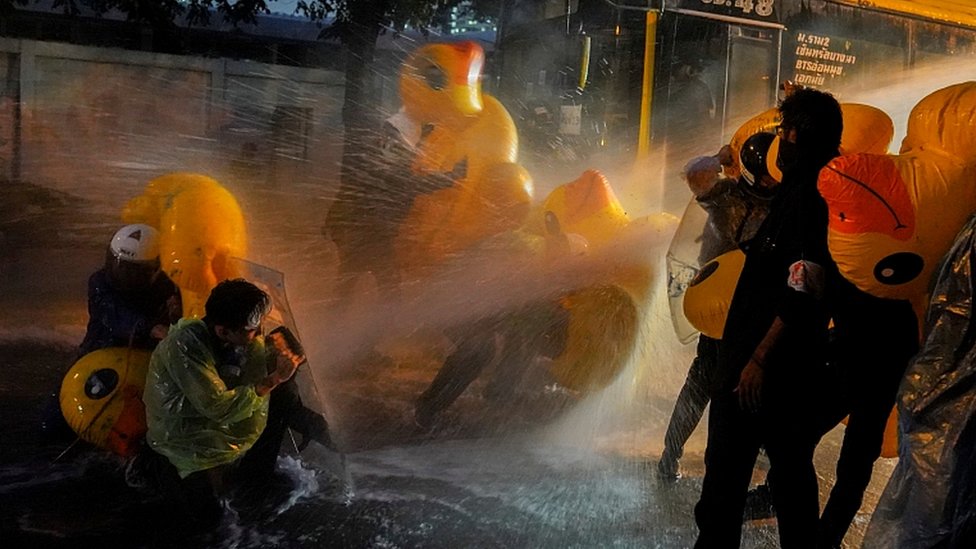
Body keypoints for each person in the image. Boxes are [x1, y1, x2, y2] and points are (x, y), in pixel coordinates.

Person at [693, 88, 844, 549]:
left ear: (795, 135)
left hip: (761, 369)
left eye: (784, 130)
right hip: (783, 364)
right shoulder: (813, 187)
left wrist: (758, 358)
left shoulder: (809, 197)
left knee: (728, 480)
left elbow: (805, 283)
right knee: (790, 471)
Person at [658, 132, 779, 481]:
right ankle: (672, 455)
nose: (774, 177)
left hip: (754, 309)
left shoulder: (781, 201)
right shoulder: (727, 194)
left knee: (750, 387)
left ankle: (750, 453)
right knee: (703, 385)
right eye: (770, 171)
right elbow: (694, 174)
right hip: (720, 310)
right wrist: (719, 156)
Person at [141, 278, 305, 527]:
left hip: (216, 423)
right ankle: (159, 468)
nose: (258, 331)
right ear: (223, 331)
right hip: (184, 435)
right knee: (208, 521)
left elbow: (259, 356)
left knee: (286, 393)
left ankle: (252, 477)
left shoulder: (226, 335)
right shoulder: (184, 347)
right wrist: (274, 378)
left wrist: (283, 351)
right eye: (251, 329)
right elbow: (219, 407)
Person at [413, 211, 581, 429]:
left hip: (467, 300)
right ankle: (428, 408)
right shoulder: (529, 257)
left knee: (523, 330)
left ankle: (501, 390)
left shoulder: (540, 260)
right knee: (480, 348)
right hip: (452, 299)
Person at [39, 223, 182, 441]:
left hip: (147, 364)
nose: (124, 275)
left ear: (155, 269)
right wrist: (150, 328)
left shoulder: (169, 287)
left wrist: (175, 315)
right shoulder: (99, 283)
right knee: (51, 424)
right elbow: (113, 313)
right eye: (120, 266)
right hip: (99, 355)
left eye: (134, 271)